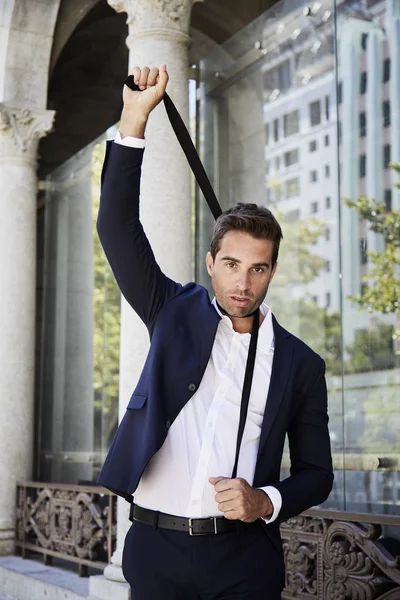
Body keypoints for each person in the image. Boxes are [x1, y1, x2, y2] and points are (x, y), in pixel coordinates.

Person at [97, 64, 333, 600]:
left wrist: (265, 500)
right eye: (231, 265)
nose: (242, 282)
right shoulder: (172, 310)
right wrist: (135, 120)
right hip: (157, 547)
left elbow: (318, 473)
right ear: (210, 263)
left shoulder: (300, 364)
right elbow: (116, 225)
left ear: (272, 271)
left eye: (257, 268)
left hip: (243, 559)